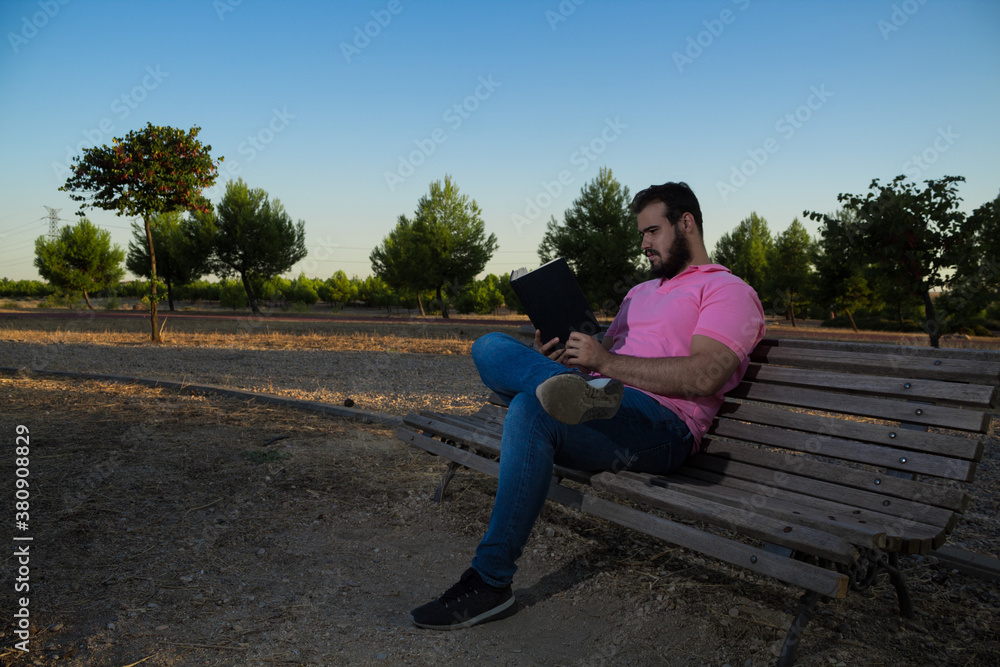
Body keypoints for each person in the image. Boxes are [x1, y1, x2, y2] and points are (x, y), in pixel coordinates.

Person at [409, 181, 766, 631]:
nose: (644, 245)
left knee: (530, 408)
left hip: (662, 426)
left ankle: (488, 581)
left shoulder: (727, 290)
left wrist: (604, 362)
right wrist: (564, 357)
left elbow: (705, 376)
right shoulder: (640, 293)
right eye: (641, 235)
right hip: (598, 399)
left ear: (687, 223)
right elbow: (603, 357)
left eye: (652, 231)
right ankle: (555, 385)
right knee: (490, 346)